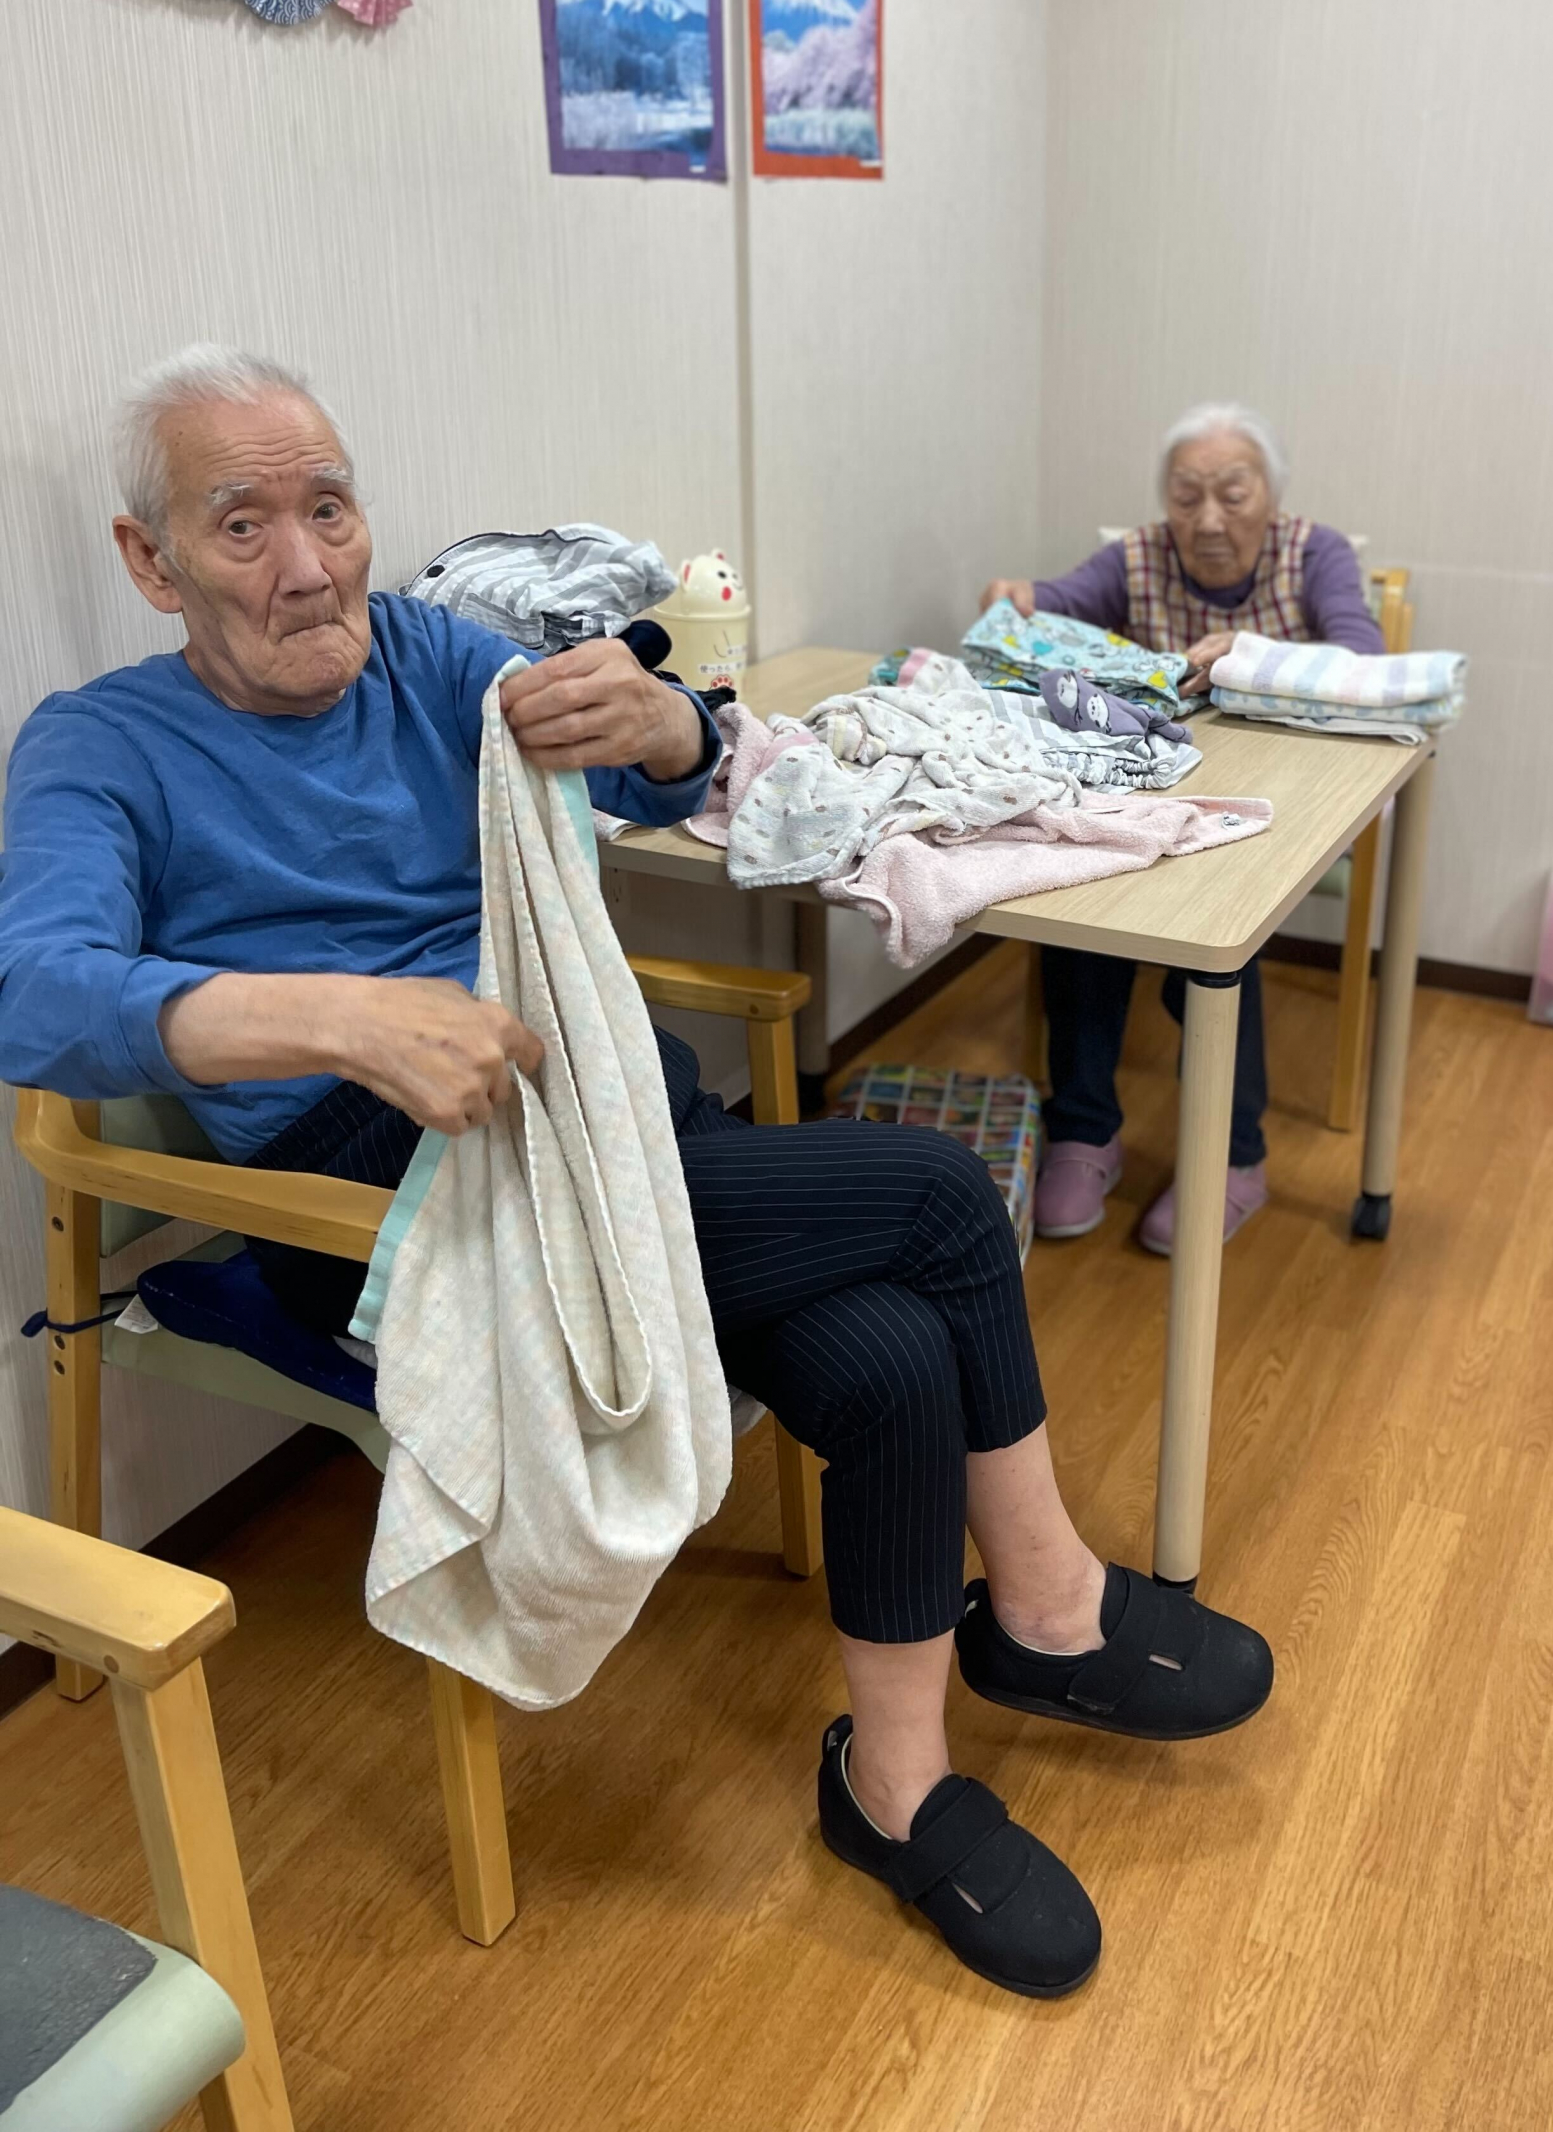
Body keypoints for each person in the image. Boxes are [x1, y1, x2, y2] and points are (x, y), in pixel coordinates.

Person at [0, 349, 1271, 2002]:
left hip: (607, 1138)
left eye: (330, 510)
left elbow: (655, 770)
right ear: (152, 559)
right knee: (941, 1201)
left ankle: (895, 1788)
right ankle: (1050, 1612)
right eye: (242, 526)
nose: (305, 567)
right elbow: (35, 992)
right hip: (384, 1206)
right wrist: (340, 1018)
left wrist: (668, 722)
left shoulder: (432, 661)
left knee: (892, 1356)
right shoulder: (101, 746)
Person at [981, 401, 1384, 1254]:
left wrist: (1255, 654)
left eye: (1232, 495)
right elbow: (1056, 604)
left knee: (1214, 932)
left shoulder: (1317, 554)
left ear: (1271, 495)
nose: (1207, 519)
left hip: (1280, 809)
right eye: (1186, 495)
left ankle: (1234, 1158)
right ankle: (1084, 1133)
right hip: (1156, 801)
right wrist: (1018, 601)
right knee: (1077, 902)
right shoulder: (1138, 555)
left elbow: (1362, 660)